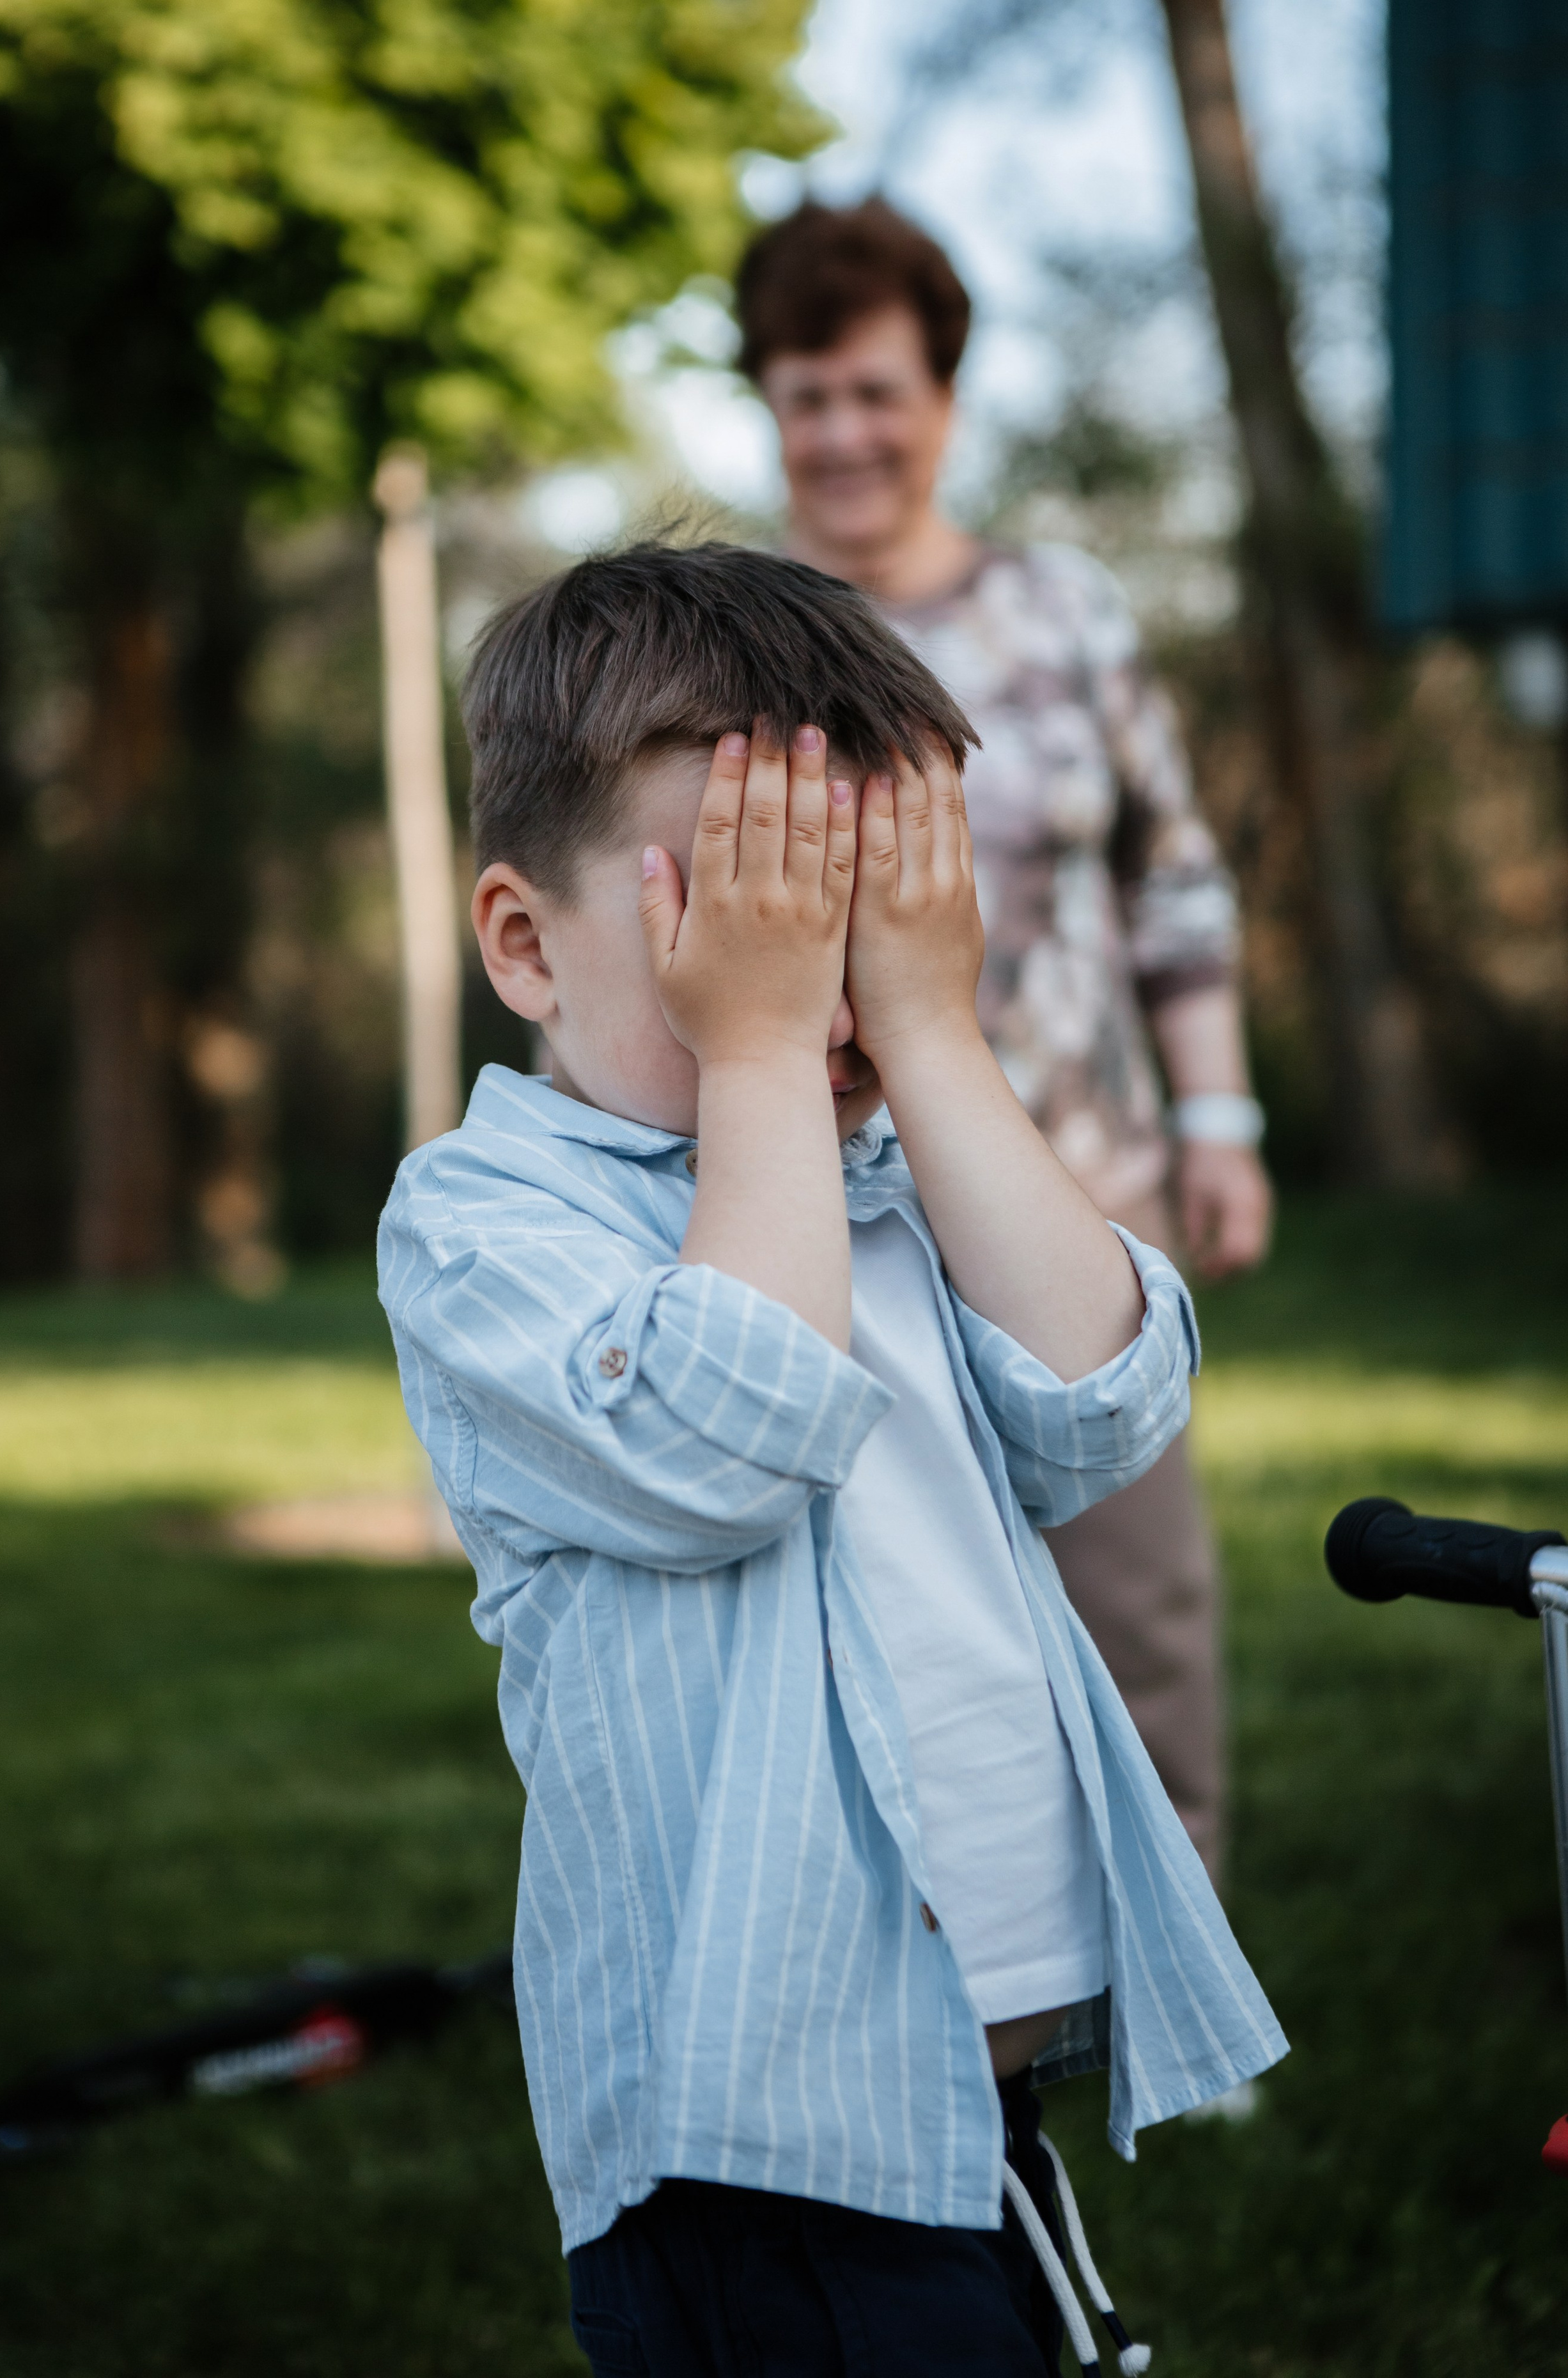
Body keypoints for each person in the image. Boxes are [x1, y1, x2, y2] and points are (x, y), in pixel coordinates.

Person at [378, 543, 1286, 2376]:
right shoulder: (487, 1223)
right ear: (526, 945)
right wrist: (770, 1053)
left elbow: (1108, 1404)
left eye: (847, 922)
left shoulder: (885, 1173)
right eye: (742, 925)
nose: (810, 994)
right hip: (752, 2161)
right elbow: (730, 1434)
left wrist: (939, 1027)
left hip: (969, 2118)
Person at [733, 199, 1275, 1887]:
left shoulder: (1066, 614)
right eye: (807, 393)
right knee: (886, 1591)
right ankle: (929, 1947)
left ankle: (1167, 1919)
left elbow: (1172, 874)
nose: (844, 432)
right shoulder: (728, 640)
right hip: (833, 1213)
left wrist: (1222, 1116)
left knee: (1136, 1582)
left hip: (1080, 1172)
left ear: (945, 401)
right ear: (766, 404)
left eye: (877, 391)